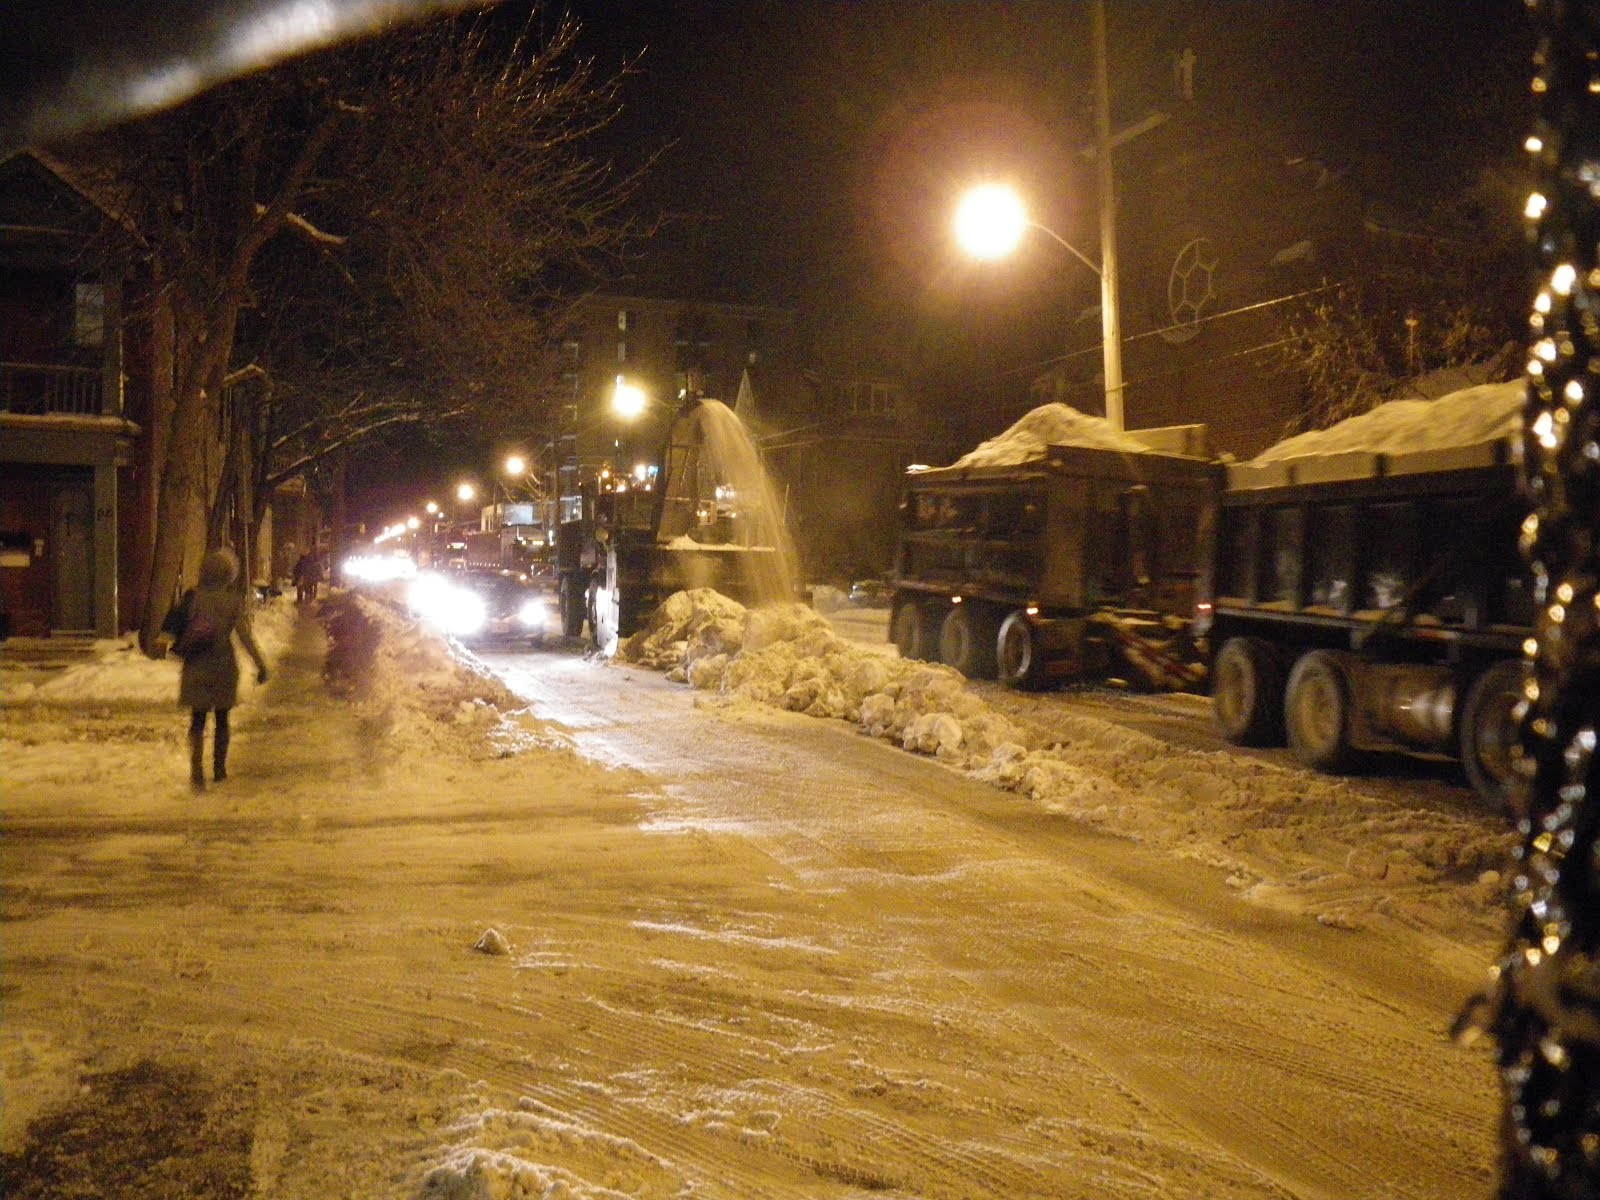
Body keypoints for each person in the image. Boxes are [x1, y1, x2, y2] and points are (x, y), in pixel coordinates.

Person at [160, 547, 269, 792]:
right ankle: (219, 770)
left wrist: (161, 647)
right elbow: (244, 637)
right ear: (229, 574)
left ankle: (196, 772)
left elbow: (172, 625)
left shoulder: (192, 597)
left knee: (197, 720)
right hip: (223, 666)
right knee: (222, 719)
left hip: (196, 665)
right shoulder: (233, 602)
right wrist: (260, 664)